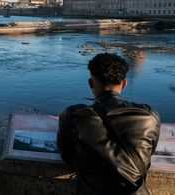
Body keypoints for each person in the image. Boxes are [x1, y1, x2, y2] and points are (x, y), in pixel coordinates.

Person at [57, 53, 160, 194]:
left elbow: (67, 156)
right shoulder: (150, 116)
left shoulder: (74, 115)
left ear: (91, 83)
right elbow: (148, 154)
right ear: (124, 84)